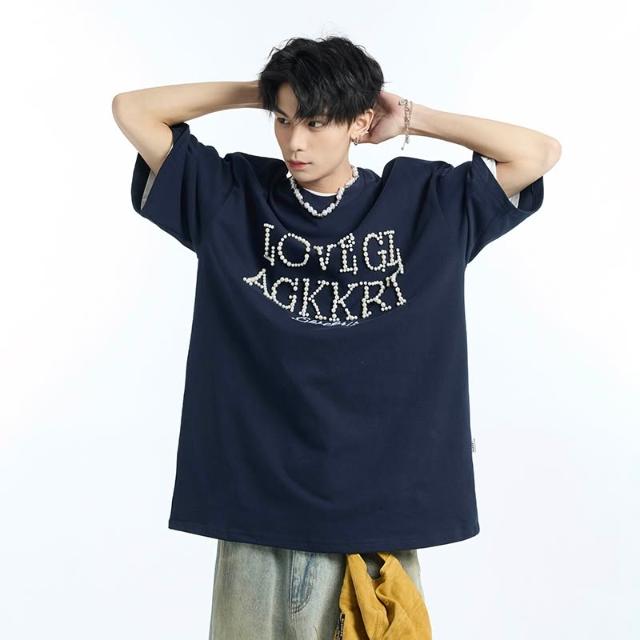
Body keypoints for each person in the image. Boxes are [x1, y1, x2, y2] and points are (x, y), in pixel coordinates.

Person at [112, 35, 561, 640]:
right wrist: (260, 93)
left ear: (359, 122)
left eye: (316, 122)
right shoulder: (232, 196)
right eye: (283, 120)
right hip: (257, 519)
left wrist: (411, 118)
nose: (294, 141)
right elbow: (132, 110)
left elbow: (538, 152)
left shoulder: (423, 204)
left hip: (377, 527)